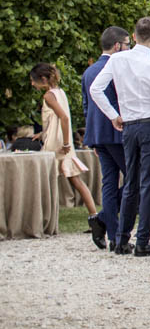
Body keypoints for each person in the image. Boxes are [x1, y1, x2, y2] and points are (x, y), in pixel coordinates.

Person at [89, 16, 150, 256]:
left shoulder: (118, 59)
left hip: (128, 125)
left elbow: (96, 89)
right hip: (149, 125)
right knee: (148, 183)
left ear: (134, 36)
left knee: (130, 182)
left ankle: (122, 238)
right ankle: (143, 239)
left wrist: (113, 114)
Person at [30, 63, 103, 239]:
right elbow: (58, 119)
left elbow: (63, 117)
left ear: (44, 79)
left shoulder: (48, 96)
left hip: (56, 145)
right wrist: (43, 133)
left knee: (48, 183)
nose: (32, 84)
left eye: (33, 81)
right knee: (76, 181)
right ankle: (94, 216)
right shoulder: (60, 92)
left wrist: (64, 142)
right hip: (62, 141)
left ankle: (45, 220)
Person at [81, 25, 129, 250]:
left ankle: (111, 231)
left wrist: (91, 137)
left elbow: (86, 106)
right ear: (118, 45)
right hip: (117, 130)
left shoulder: (89, 71)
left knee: (109, 183)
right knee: (134, 179)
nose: (128, 49)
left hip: (98, 134)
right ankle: (110, 223)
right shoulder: (117, 68)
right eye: (127, 45)